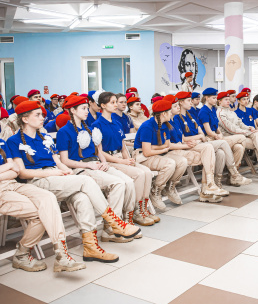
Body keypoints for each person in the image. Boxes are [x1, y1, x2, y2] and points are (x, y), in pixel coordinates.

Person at [0, 102, 86, 273]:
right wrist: (6, 168)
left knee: (47, 199)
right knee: (43, 212)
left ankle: (61, 255)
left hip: (10, 184)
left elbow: (15, 171)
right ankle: (22, 253)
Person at [8, 100, 119, 264]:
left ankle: (91, 247)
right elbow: (23, 173)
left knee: (82, 197)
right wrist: (55, 172)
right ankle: (114, 222)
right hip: (37, 181)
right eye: (37, 115)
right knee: (85, 181)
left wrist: (66, 171)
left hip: (55, 177)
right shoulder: (13, 140)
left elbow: (58, 161)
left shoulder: (45, 137)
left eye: (42, 115)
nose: (42, 118)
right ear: (25, 119)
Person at [57, 96, 141, 242]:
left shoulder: (89, 129)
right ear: (72, 110)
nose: (86, 111)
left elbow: (98, 151)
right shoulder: (64, 131)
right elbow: (65, 160)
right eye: (83, 108)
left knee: (128, 181)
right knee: (118, 183)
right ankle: (111, 228)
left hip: (97, 164)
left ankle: (122, 221)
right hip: (81, 167)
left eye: (86, 108)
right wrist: (88, 165)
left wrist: (104, 162)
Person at [94, 92, 158, 226]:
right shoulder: (97, 124)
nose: (115, 105)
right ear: (103, 105)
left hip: (120, 157)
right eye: (112, 102)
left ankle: (142, 208)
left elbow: (123, 145)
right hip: (109, 159)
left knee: (146, 172)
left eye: (115, 102)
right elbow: (99, 151)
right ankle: (133, 212)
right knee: (139, 174)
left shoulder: (116, 122)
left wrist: (128, 159)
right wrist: (122, 162)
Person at [174, 91, 249, 192]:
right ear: (181, 102)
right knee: (224, 142)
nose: (191, 102)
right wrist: (199, 137)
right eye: (188, 100)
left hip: (199, 142)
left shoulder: (190, 116)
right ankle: (234, 174)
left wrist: (200, 137)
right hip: (192, 145)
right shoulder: (177, 118)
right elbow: (184, 138)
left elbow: (201, 133)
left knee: (221, 153)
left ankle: (217, 181)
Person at [166, 94, 226, 202]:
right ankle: (207, 187)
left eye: (177, 105)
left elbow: (182, 139)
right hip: (175, 151)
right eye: (175, 106)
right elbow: (172, 144)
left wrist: (189, 142)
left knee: (209, 153)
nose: (178, 107)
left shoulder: (174, 120)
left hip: (184, 147)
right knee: (209, 151)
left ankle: (208, 186)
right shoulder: (170, 121)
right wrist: (188, 144)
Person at [134, 100, 189, 209]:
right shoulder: (147, 126)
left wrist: (155, 147)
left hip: (157, 154)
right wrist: (161, 149)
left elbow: (166, 145)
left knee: (183, 161)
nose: (171, 113)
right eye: (169, 111)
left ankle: (170, 187)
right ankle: (155, 191)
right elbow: (147, 152)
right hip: (143, 157)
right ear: (164, 113)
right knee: (170, 163)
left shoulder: (165, 125)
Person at [217, 91, 258, 179]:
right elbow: (231, 129)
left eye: (228, 99)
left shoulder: (231, 112)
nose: (228, 101)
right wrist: (246, 132)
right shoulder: (220, 113)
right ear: (219, 102)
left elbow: (240, 123)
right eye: (226, 99)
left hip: (239, 135)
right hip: (230, 137)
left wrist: (249, 127)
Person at [198, 88, 248, 180]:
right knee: (242, 137)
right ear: (207, 98)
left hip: (216, 137)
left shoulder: (213, 109)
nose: (215, 100)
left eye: (216, 97)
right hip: (209, 138)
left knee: (239, 147)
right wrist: (217, 136)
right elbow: (208, 131)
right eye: (213, 98)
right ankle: (232, 174)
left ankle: (232, 176)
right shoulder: (204, 111)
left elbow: (216, 126)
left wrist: (219, 133)